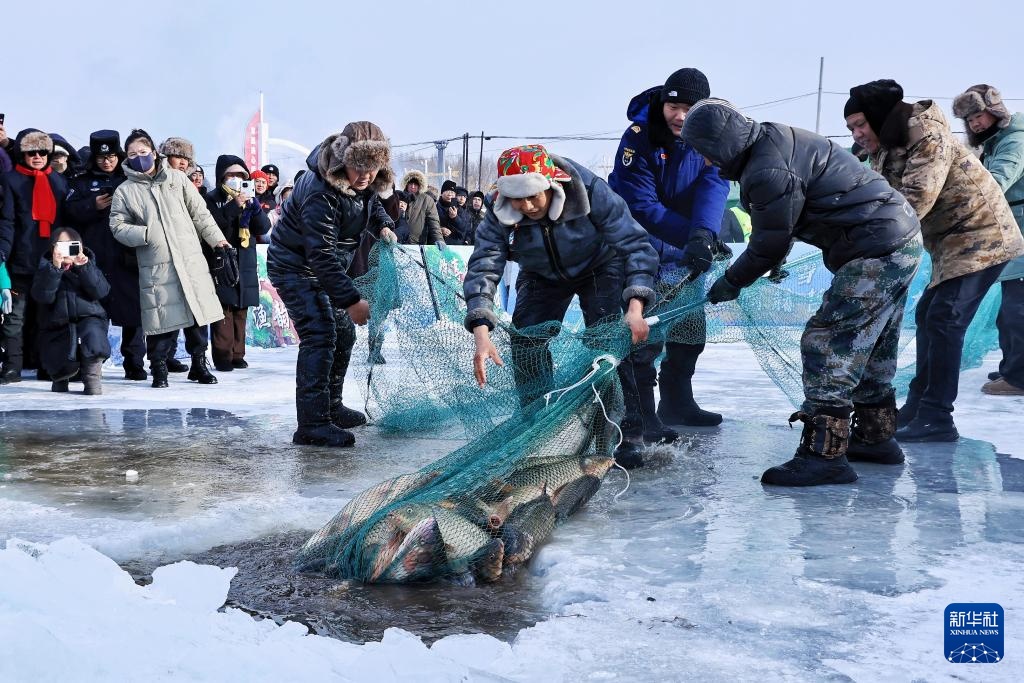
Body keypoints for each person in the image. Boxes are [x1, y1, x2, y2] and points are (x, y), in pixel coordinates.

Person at [682, 98, 923, 486]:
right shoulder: (771, 140)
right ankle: (875, 438)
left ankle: (824, 455)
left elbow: (769, 241)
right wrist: (771, 260)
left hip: (875, 248)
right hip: (899, 239)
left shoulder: (765, 169)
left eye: (705, 153)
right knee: (871, 345)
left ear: (720, 144)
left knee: (827, 343)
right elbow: (788, 219)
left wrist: (732, 282)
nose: (706, 162)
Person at [845, 80, 1024, 441]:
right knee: (929, 314)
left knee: (945, 319)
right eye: (851, 128)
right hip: (949, 241)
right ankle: (918, 405)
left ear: (879, 117)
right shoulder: (887, 144)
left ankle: (938, 416)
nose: (857, 133)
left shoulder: (926, 134)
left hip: (983, 234)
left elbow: (913, 199)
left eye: (860, 124)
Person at [464, 144, 658, 461]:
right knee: (526, 339)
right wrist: (481, 329)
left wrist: (635, 307)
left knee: (608, 339)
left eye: (533, 196)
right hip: (540, 272)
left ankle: (627, 430)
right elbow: (485, 264)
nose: (526, 206)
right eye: (517, 198)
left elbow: (636, 245)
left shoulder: (590, 189)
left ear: (551, 184)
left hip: (600, 265)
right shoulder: (497, 210)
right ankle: (538, 425)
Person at [608, 67, 730, 466]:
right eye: (673, 106)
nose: (679, 115)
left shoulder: (712, 135)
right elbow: (640, 206)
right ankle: (643, 412)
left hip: (682, 245)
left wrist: (705, 233)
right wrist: (691, 235)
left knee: (691, 327)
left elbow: (715, 183)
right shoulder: (639, 138)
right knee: (647, 331)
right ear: (662, 104)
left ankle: (680, 401)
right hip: (638, 245)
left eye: (688, 108)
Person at [268, 121, 397, 447]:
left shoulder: (362, 181)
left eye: (374, 168)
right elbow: (320, 254)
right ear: (342, 160)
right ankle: (312, 424)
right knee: (321, 333)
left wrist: (382, 224)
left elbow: (371, 202)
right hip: (295, 267)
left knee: (344, 333)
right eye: (359, 168)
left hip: (325, 268)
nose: (366, 176)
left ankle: (331, 406)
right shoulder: (320, 193)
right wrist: (351, 300)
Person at [109, 129, 230, 388]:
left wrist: (218, 241)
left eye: (143, 152)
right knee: (161, 316)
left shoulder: (177, 179)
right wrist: (144, 233)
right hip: (156, 262)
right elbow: (117, 225)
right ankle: (159, 367)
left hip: (189, 258)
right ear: (126, 159)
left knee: (197, 314)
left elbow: (201, 214)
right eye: (132, 154)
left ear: (154, 153)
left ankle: (199, 364)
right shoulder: (125, 191)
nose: (139, 157)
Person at [953, 85, 1024, 397]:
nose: (974, 124)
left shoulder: (1014, 141)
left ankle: (1019, 377)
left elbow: (997, 181)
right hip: (1013, 229)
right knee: (1009, 305)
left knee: (1016, 307)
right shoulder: (996, 141)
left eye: (978, 116)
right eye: (968, 120)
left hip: (1021, 227)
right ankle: (1014, 364)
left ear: (995, 111)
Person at [65, 130, 147, 380]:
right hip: (95, 259)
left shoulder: (131, 178)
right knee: (93, 314)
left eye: (111, 156)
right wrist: (93, 205)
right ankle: (91, 362)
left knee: (134, 314)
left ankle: (134, 363)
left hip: (127, 256)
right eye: (102, 158)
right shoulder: (81, 180)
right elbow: (68, 212)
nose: (107, 161)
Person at [0, 130, 69, 384]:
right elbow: (7, 221)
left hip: (50, 261)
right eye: (31, 152)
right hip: (20, 258)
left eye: (42, 152)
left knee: (47, 317)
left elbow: (65, 223)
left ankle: (46, 365)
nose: (37, 156)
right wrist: (3, 252)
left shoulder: (58, 182)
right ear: (22, 153)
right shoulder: (11, 180)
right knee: (14, 318)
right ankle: (12, 367)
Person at [204, 155, 271, 371]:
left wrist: (254, 207)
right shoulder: (212, 198)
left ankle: (238, 354)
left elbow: (262, 228)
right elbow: (214, 225)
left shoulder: (250, 198)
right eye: (231, 175)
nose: (236, 179)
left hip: (246, 260)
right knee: (224, 308)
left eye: (241, 175)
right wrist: (234, 206)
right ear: (222, 177)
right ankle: (223, 356)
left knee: (241, 309)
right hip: (223, 259)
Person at [31, 227, 110, 394]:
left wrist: (84, 267)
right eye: (61, 245)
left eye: (71, 245)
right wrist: (55, 268)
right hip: (57, 321)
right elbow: (43, 296)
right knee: (58, 347)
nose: (66, 249)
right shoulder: (45, 268)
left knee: (93, 334)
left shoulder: (89, 264)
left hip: (89, 316)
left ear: (79, 246)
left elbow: (101, 291)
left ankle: (92, 380)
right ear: (53, 248)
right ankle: (60, 379)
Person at [399, 170, 444, 246]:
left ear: (420, 185)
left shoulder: (427, 200)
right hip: (398, 243)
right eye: (410, 183)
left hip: (418, 244)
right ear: (406, 184)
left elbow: (433, 221)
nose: (413, 186)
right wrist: (400, 212)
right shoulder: (398, 196)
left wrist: (439, 239)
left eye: (415, 184)